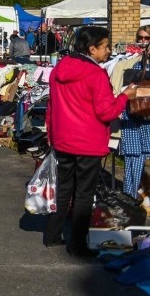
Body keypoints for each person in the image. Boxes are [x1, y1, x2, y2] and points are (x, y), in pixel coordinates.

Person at [43, 26, 138, 256]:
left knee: (64, 189)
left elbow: (51, 107)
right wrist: (125, 96)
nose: (108, 51)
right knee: (84, 194)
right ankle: (77, 244)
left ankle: (52, 236)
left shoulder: (58, 69)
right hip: (88, 141)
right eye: (105, 46)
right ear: (92, 48)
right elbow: (106, 112)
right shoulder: (96, 75)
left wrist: (51, 135)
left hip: (64, 139)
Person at [118, 26, 150, 199]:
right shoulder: (131, 62)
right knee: (133, 156)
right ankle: (129, 196)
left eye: (147, 38)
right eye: (141, 38)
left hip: (147, 117)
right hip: (133, 114)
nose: (143, 42)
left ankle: (140, 195)